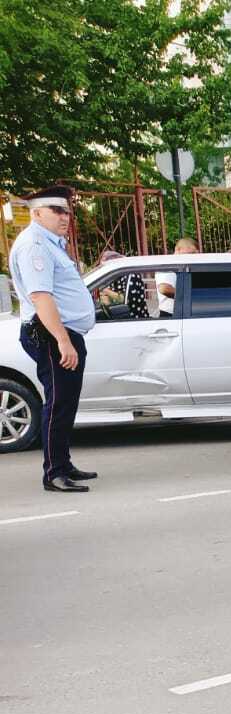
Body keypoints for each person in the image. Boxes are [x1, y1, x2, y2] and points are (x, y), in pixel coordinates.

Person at [8, 185, 97, 493]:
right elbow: (40, 296)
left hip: (62, 332)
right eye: (57, 211)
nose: (65, 217)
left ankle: (63, 462)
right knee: (58, 402)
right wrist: (62, 339)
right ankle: (54, 474)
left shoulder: (51, 243)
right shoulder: (35, 245)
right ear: (36, 213)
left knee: (66, 401)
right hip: (50, 333)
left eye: (67, 211)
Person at [157, 237, 199, 315]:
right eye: (191, 253)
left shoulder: (181, 264)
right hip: (171, 314)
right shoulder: (168, 264)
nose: (193, 256)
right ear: (178, 249)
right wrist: (192, 295)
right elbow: (164, 288)